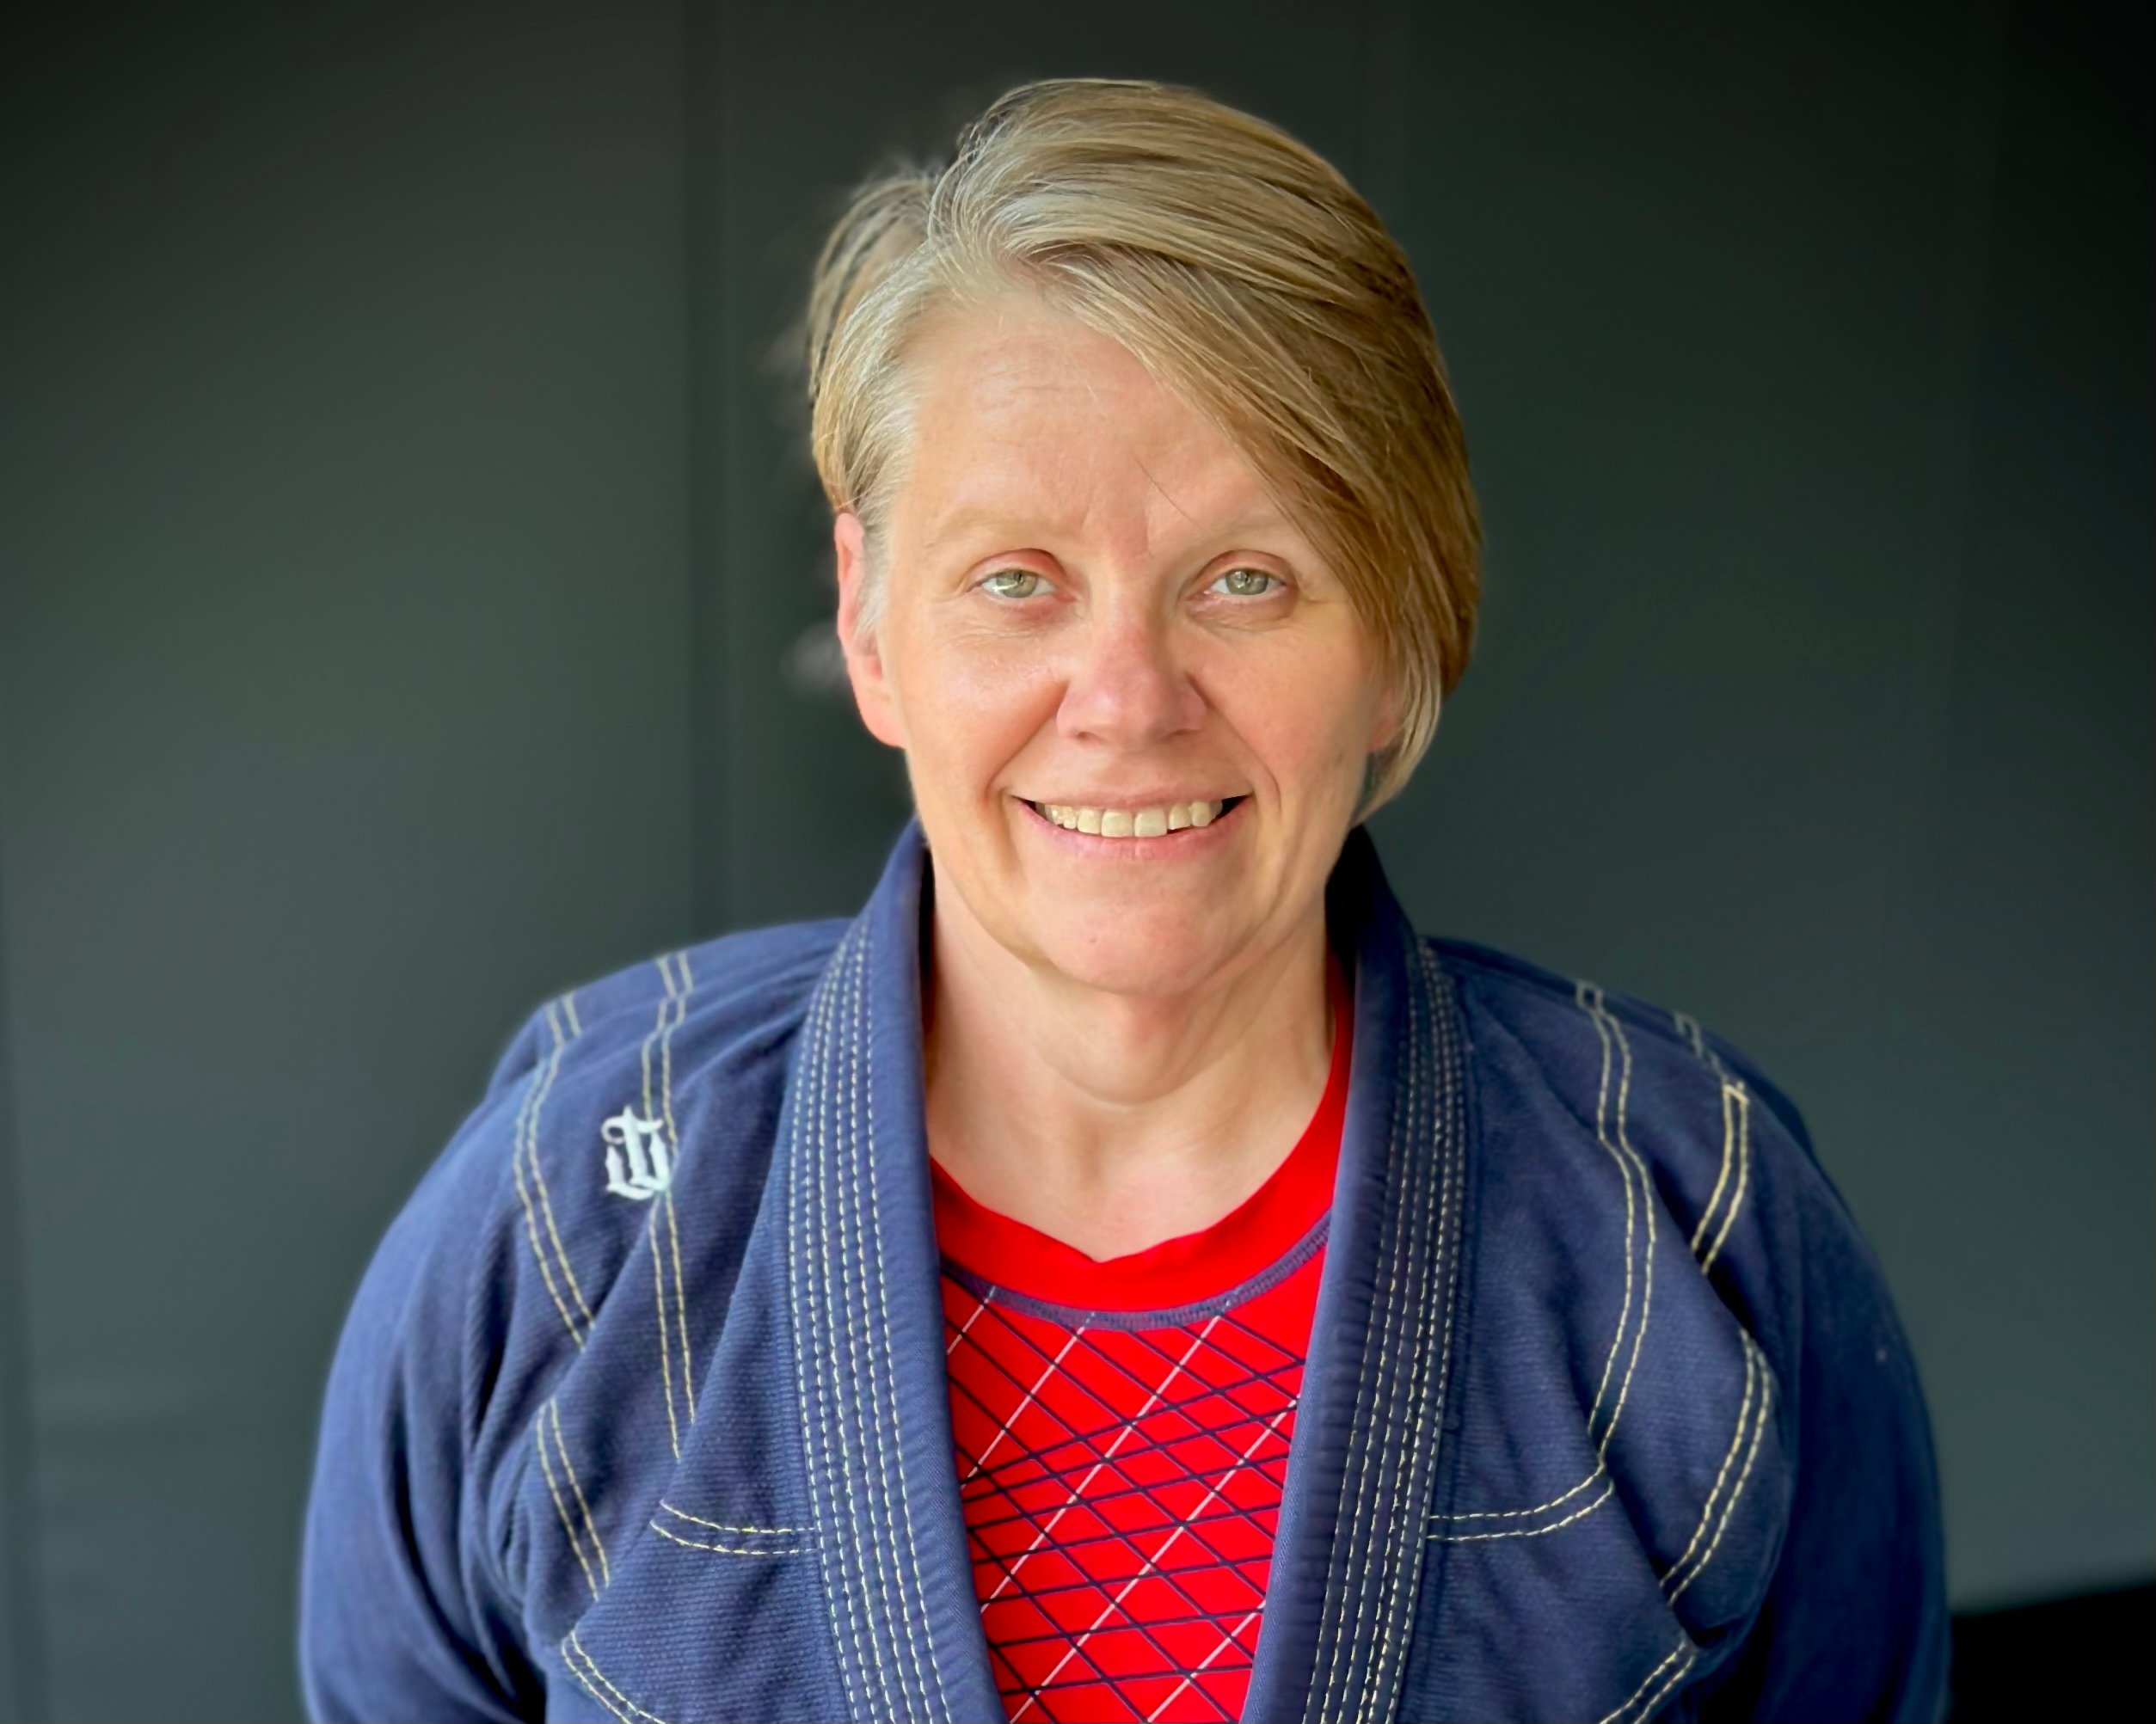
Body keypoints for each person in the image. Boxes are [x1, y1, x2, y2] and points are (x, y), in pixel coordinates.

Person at [298, 77, 1947, 1724]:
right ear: (875, 626)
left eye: (1247, 578)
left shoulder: (1693, 1224)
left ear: (1398, 629)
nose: (1129, 698)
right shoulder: (566, 1235)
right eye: (1017, 581)